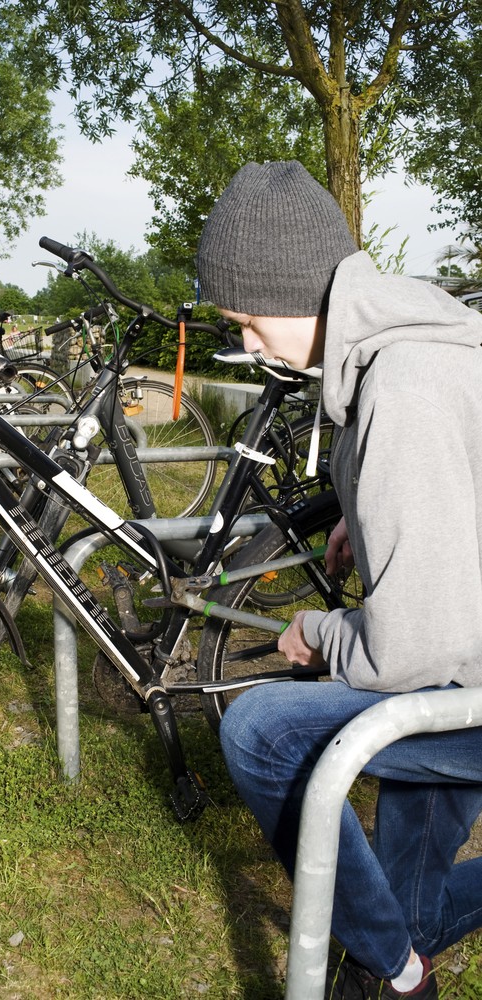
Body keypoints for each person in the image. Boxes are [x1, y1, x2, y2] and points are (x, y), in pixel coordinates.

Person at [196, 160, 482, 999]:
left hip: (462, 666)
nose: (248, 346)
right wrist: (362, 525)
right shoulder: (422, 340)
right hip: (470, 648)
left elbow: (408, 651)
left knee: (263, 731)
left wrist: (316, 634)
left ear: (293, 292)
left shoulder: (406, 383)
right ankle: (406, 944)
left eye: (246, 321)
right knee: (409, 911)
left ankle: (395, 980)